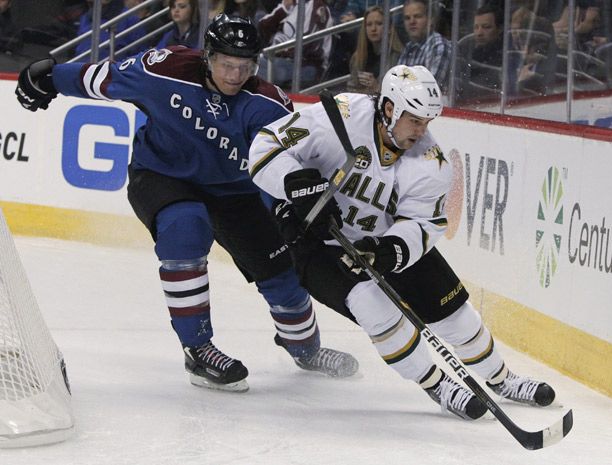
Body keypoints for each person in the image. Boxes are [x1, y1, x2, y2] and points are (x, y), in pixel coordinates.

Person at [15, 14, 358, 393]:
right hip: (162, 175)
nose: (234, 75)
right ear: (207, 57)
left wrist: (287, 208)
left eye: (244, 66)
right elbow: (105, 78)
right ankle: (197, 348)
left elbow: (283, 166)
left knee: (282, 275)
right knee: (186, 226)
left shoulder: (270, 106)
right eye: (227, 64)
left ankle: (305, 349)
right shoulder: (164, 70)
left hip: (235, 192)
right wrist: (49, 77)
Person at [249, 64, 557, 420]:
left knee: (454, 314)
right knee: (374, 306)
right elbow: (264, 147)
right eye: (415, 120)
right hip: (317, 241)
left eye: (427, 121)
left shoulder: (431, 162)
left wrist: (392, 250)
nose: (421, 130)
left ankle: (502, 380)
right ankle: (438, 386)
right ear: (390, 109)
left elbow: (424, 221)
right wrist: (295, 182)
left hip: (380, 240)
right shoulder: (340, 117)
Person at [258, 0, 333, 89]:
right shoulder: (291, 3)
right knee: (250, 63)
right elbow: (262, 27)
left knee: (255, 69)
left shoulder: (318, 6)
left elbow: (309, 44)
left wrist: (278, 52)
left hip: (307, 65)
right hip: (280, 58)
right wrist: (284, 9)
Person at [397, 0, 451, 92]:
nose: (412, 21)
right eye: (407, 18)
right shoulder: (408, 47)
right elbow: (397, 82)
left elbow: (429, 89)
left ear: (431, 19)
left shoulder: (438, 45)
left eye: (417, 16)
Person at [347, 5, 403, 94]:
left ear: (389, 28)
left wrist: (377, 87)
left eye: (379, 23)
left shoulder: (398, 57)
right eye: (369, 25)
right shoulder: (357, 57)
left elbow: (399, 93)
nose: (373, 29)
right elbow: (351, 89)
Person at [75, 0, 146, 60]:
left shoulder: (129, 18)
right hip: (83, 70)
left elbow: (139, 53)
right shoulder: (86, 18)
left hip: (112, 72)